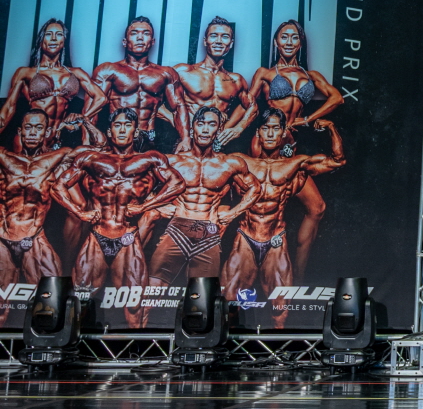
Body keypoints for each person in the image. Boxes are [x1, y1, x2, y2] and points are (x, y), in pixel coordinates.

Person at [52, 108, 183, 328]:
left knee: (134, 306)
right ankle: (76, 346)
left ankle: (135, 347)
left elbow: (177, 183)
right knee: (79, 302)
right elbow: (58, 187)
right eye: (117, 125)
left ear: (135, 131)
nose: (122, 130)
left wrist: (144, 206)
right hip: (97, 236)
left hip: (127, 238)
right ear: (109, 131)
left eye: (127, 125)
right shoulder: (91, 159)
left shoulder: (150, 159)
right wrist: (79, 212)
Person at [225, 109, 345, 328]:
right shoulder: (241, 162)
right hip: (246, 237)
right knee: (230, 305)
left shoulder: (295, 165)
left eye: (275, 129)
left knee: (280, 311)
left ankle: (277, 349)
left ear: (283, 134)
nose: (271, 134)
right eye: (266, 129)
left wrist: (331, 128)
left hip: (275, 241)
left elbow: (337, 160)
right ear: (258, 133)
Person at [246, 20, 343, 269]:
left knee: (317, 208)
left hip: (290, 148)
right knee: (261, 211)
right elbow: (248, 106)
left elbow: (337, 98)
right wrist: (231, 128)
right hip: (265, 147)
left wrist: (308, 119)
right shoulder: (265, 73)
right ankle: (253, 269)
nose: (289, 42)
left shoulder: (311, 76)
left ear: (300, 43)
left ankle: (298, 277)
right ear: (276, 42)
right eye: (284, 37)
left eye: (294, 37)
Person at [144, 106, 261, 292]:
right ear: (192, 128)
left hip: (208, 234)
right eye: (201, 124)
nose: (205, 129)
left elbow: (255, 188)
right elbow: (140, 184)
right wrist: (156, 206)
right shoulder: (173, 161)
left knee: (202, 296)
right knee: (153, 290)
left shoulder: (229, 164)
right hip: (177, 229)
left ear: (219, 129)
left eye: (211, 124)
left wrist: (233, 213)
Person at [0, 111, 72, 323]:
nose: (32, 133)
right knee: (1, 309)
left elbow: (98, 149)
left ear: (47, 132)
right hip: (3, 238)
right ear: (20, 131)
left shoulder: (58, 157)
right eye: (28, 128)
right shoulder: (4, 158)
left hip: (34, 237)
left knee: (52, 303)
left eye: (38, 128)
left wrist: (83, 124)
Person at [0, 19, 105, 149]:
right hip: (33, 137)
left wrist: (82, 118)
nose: (54, 38)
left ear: (64, 41)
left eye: (59, 34)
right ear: (41, 40)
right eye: (49, 34)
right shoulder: (26, 72)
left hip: (58, 138)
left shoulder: (75, 73)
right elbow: (9, 108)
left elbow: (101, 98)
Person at [93, 16, 190, 153]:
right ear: (124, 42)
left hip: (149, 138)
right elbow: (93, 108)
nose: (140, 38)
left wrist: (185, 139)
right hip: (118, 138)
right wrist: (87, 143)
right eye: (134, 33)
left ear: (152, 41)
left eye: (146, 33)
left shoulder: (166, 73)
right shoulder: (108, 70)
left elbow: (179, 107)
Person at [174, 17, 254, 148]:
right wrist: (183, 127)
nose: (219, 41)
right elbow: (154, 102)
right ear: (205, 41)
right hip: (189, 142)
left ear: (231, 43)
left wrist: (238, 129)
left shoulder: (236, 80)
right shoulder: (184, 72)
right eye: (213, 36)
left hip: (217, 144)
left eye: (225, 37)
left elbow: (252, 106)